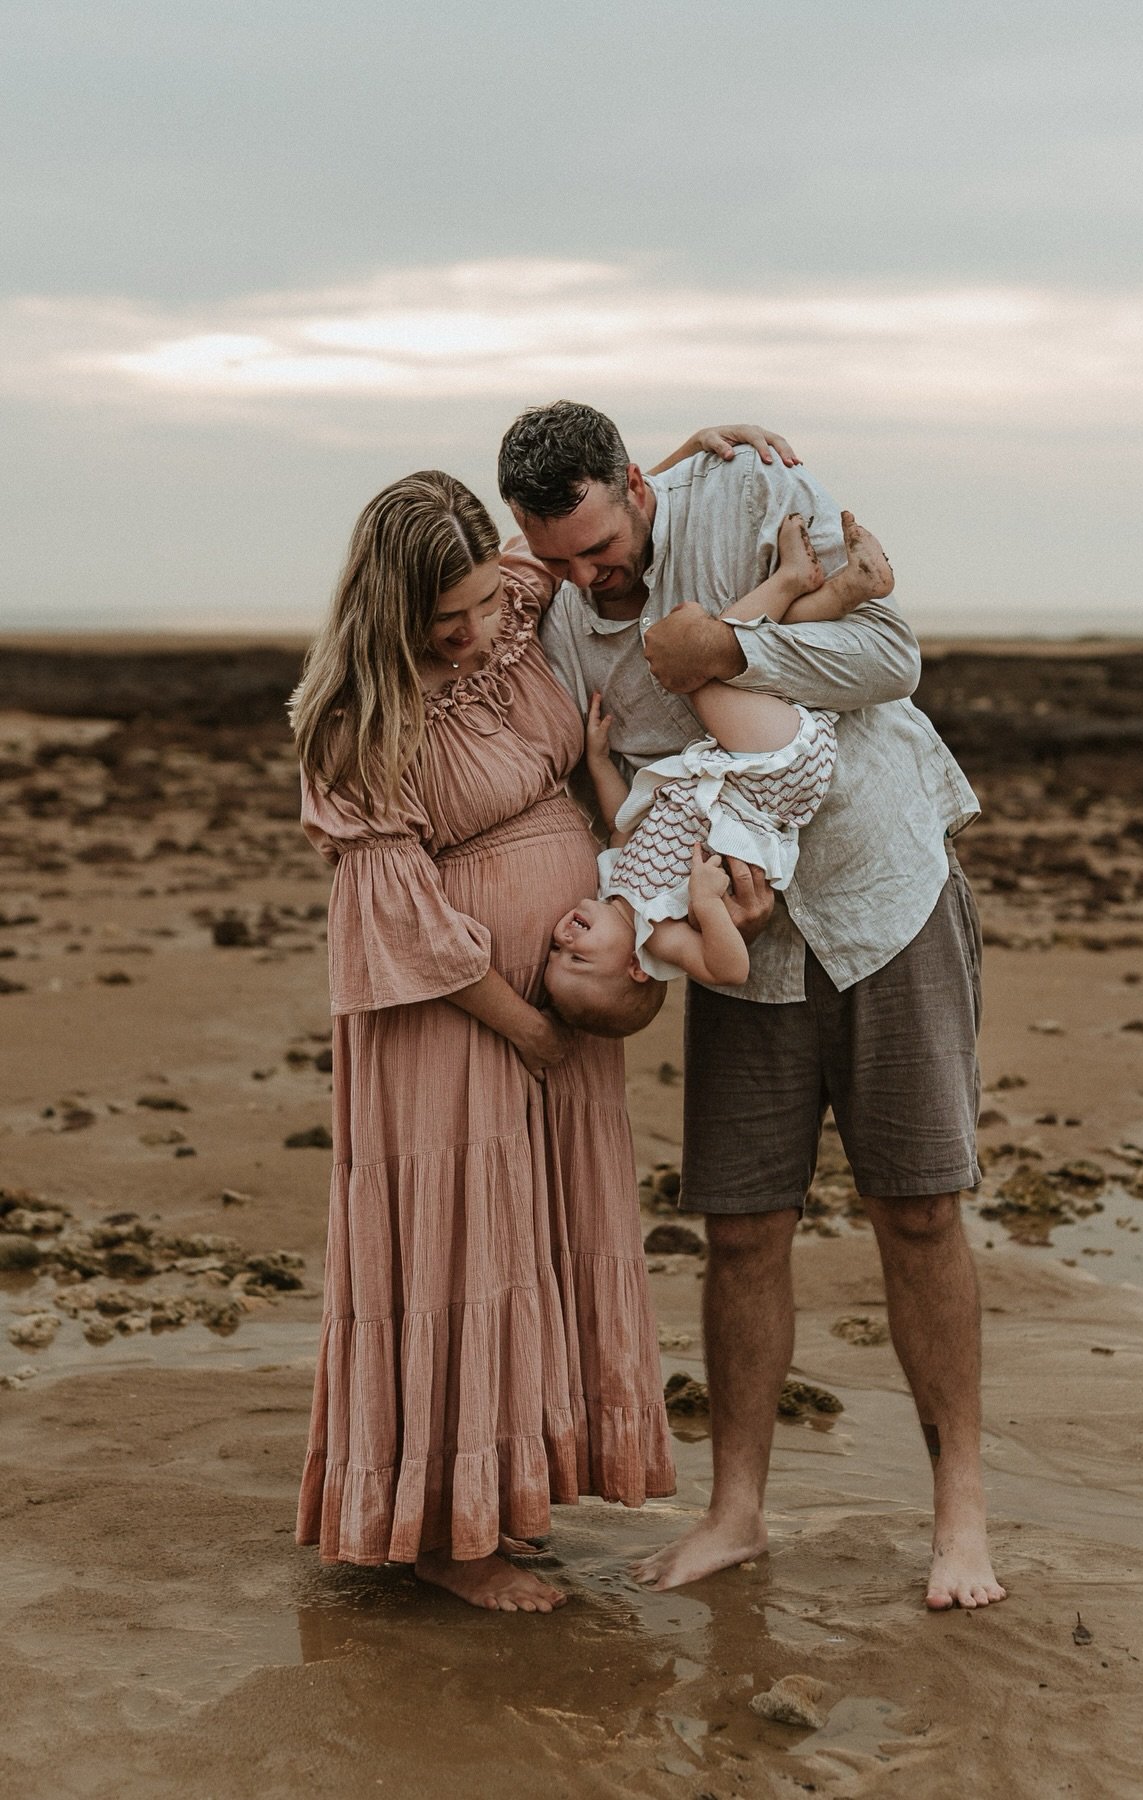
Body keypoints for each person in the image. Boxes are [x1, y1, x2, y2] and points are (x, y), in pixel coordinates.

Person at [499, 401, 1006, 1610]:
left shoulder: (748, 493)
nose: (589, 577)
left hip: (884, 893)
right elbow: (588, 771)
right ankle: (736, 1515)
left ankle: (962, 1517)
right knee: (739, 1230)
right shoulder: (563, 613)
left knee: (921, 1212)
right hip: (739, 942)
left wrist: (724, 654)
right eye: (559, 560)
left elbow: (890, 654)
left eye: (602, 545)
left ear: (633, 481)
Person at [288, 426, 774, 1613]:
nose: (469, 635)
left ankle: (504, 1498)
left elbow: (584, 525)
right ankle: (447, 1539)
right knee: (467, 1242)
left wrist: (691, 452)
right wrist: (523, 1025)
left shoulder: (511, 599)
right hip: (454, 1012)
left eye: (473, 607)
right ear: (387, 606)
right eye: (442, 623)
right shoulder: (359, 720)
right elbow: (397, 922)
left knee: (539, 1239)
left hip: (557, 982)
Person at [545, 512, 892, 1031]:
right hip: (768, 781)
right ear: (637, 970)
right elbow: (729, 969)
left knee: (723, 655)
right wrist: (706, 904)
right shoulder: (658, 936)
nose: (564, 941)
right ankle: (795, 581)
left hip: (740, 765)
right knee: (695, 663)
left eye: (556, 952)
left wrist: (598, 761)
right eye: (577, 958)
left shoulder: (612, 886)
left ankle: (844, 589)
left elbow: (622, 821)